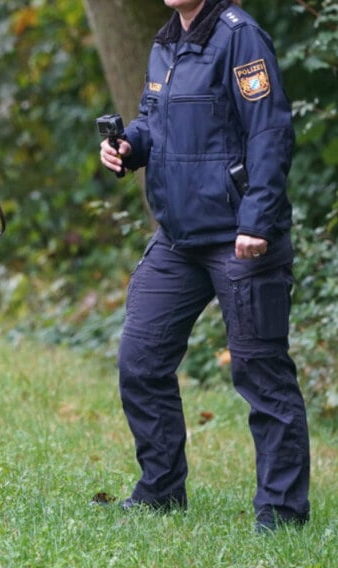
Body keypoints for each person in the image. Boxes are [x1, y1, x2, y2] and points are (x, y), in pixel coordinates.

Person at [99, 0, 310, 532]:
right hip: (178, 238)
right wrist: (129, 146)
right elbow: (155, 123)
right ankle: (161, 492)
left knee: (261, 375)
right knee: (140, 362)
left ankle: (282, 513)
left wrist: (258, 221)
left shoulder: (242, 38)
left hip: (240, 237)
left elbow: (269, 131)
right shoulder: (167, 41)